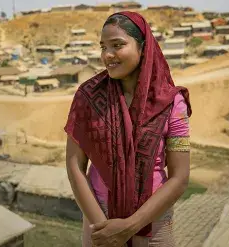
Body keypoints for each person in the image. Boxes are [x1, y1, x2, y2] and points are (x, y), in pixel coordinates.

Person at [65, 11, 192, 247]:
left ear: (144, 47)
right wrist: (102, 227)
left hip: (154, 222)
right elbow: (75, 166)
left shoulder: (172, 104)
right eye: (103, 47)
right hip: (99, 222)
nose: (107, 55)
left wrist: (130, 226)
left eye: (118, 45)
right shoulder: (88, 97)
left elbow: (180, 177)